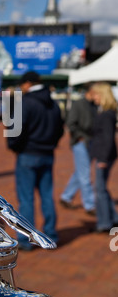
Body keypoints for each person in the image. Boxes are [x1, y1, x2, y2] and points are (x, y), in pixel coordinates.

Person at [7, 71, 64, 250]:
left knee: (26, 199)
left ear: (27, 84)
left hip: (28, 153)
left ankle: (26, 240)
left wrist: (14, 146)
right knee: (47, 195)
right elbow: (60, 129)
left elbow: (16, 129)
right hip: (47, 153)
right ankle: (50, 235)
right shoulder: (53, 104)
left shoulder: (25, 103)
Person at [60, 84, 96, 213]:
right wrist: (79, 137)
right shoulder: (78, 104)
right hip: (80, 142)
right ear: (91, 91)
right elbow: (70, 122)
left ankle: (66, 196)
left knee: (80, 172)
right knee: (85, 174)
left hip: (90, 142)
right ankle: (89, 205)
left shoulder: (94, 105)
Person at [90, 83, 118, 232]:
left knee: (100, 189)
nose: (93, 97)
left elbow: (107, 138)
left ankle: (104, 223)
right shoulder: (107, 112)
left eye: (96, 94)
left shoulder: (106, 114)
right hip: (105, 154)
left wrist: (102, 159)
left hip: (104, 155)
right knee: (102, 188)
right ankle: (112, 218)